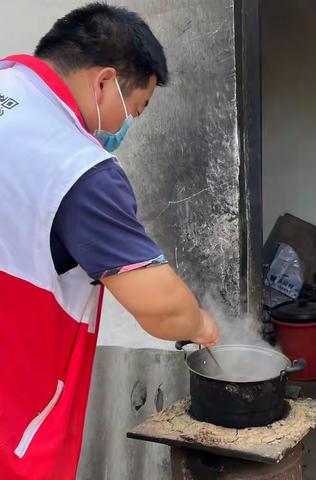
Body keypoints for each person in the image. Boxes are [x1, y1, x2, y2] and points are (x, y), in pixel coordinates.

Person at [0, 3, 218, 479]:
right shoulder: (77, 167)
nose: (126, 126)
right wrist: (199, 323)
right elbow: (161, 308)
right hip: (11, 418)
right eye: (135, 108)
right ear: (103, 83)